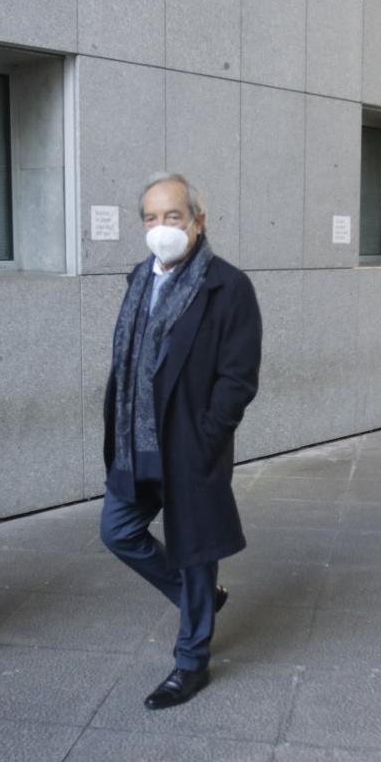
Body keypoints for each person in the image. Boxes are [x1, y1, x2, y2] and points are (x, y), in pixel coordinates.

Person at [101, 172, 262, 709]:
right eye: (151, 217)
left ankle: (191, 661)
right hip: (136, 441)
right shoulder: (138, 280)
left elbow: (238, 377)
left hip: (190, 444)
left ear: (199, 221)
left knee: (195, 551)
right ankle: (200, 600)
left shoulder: (228, 286)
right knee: (119, 531)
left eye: (173, 216)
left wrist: (208, 434)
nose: (161, 227)